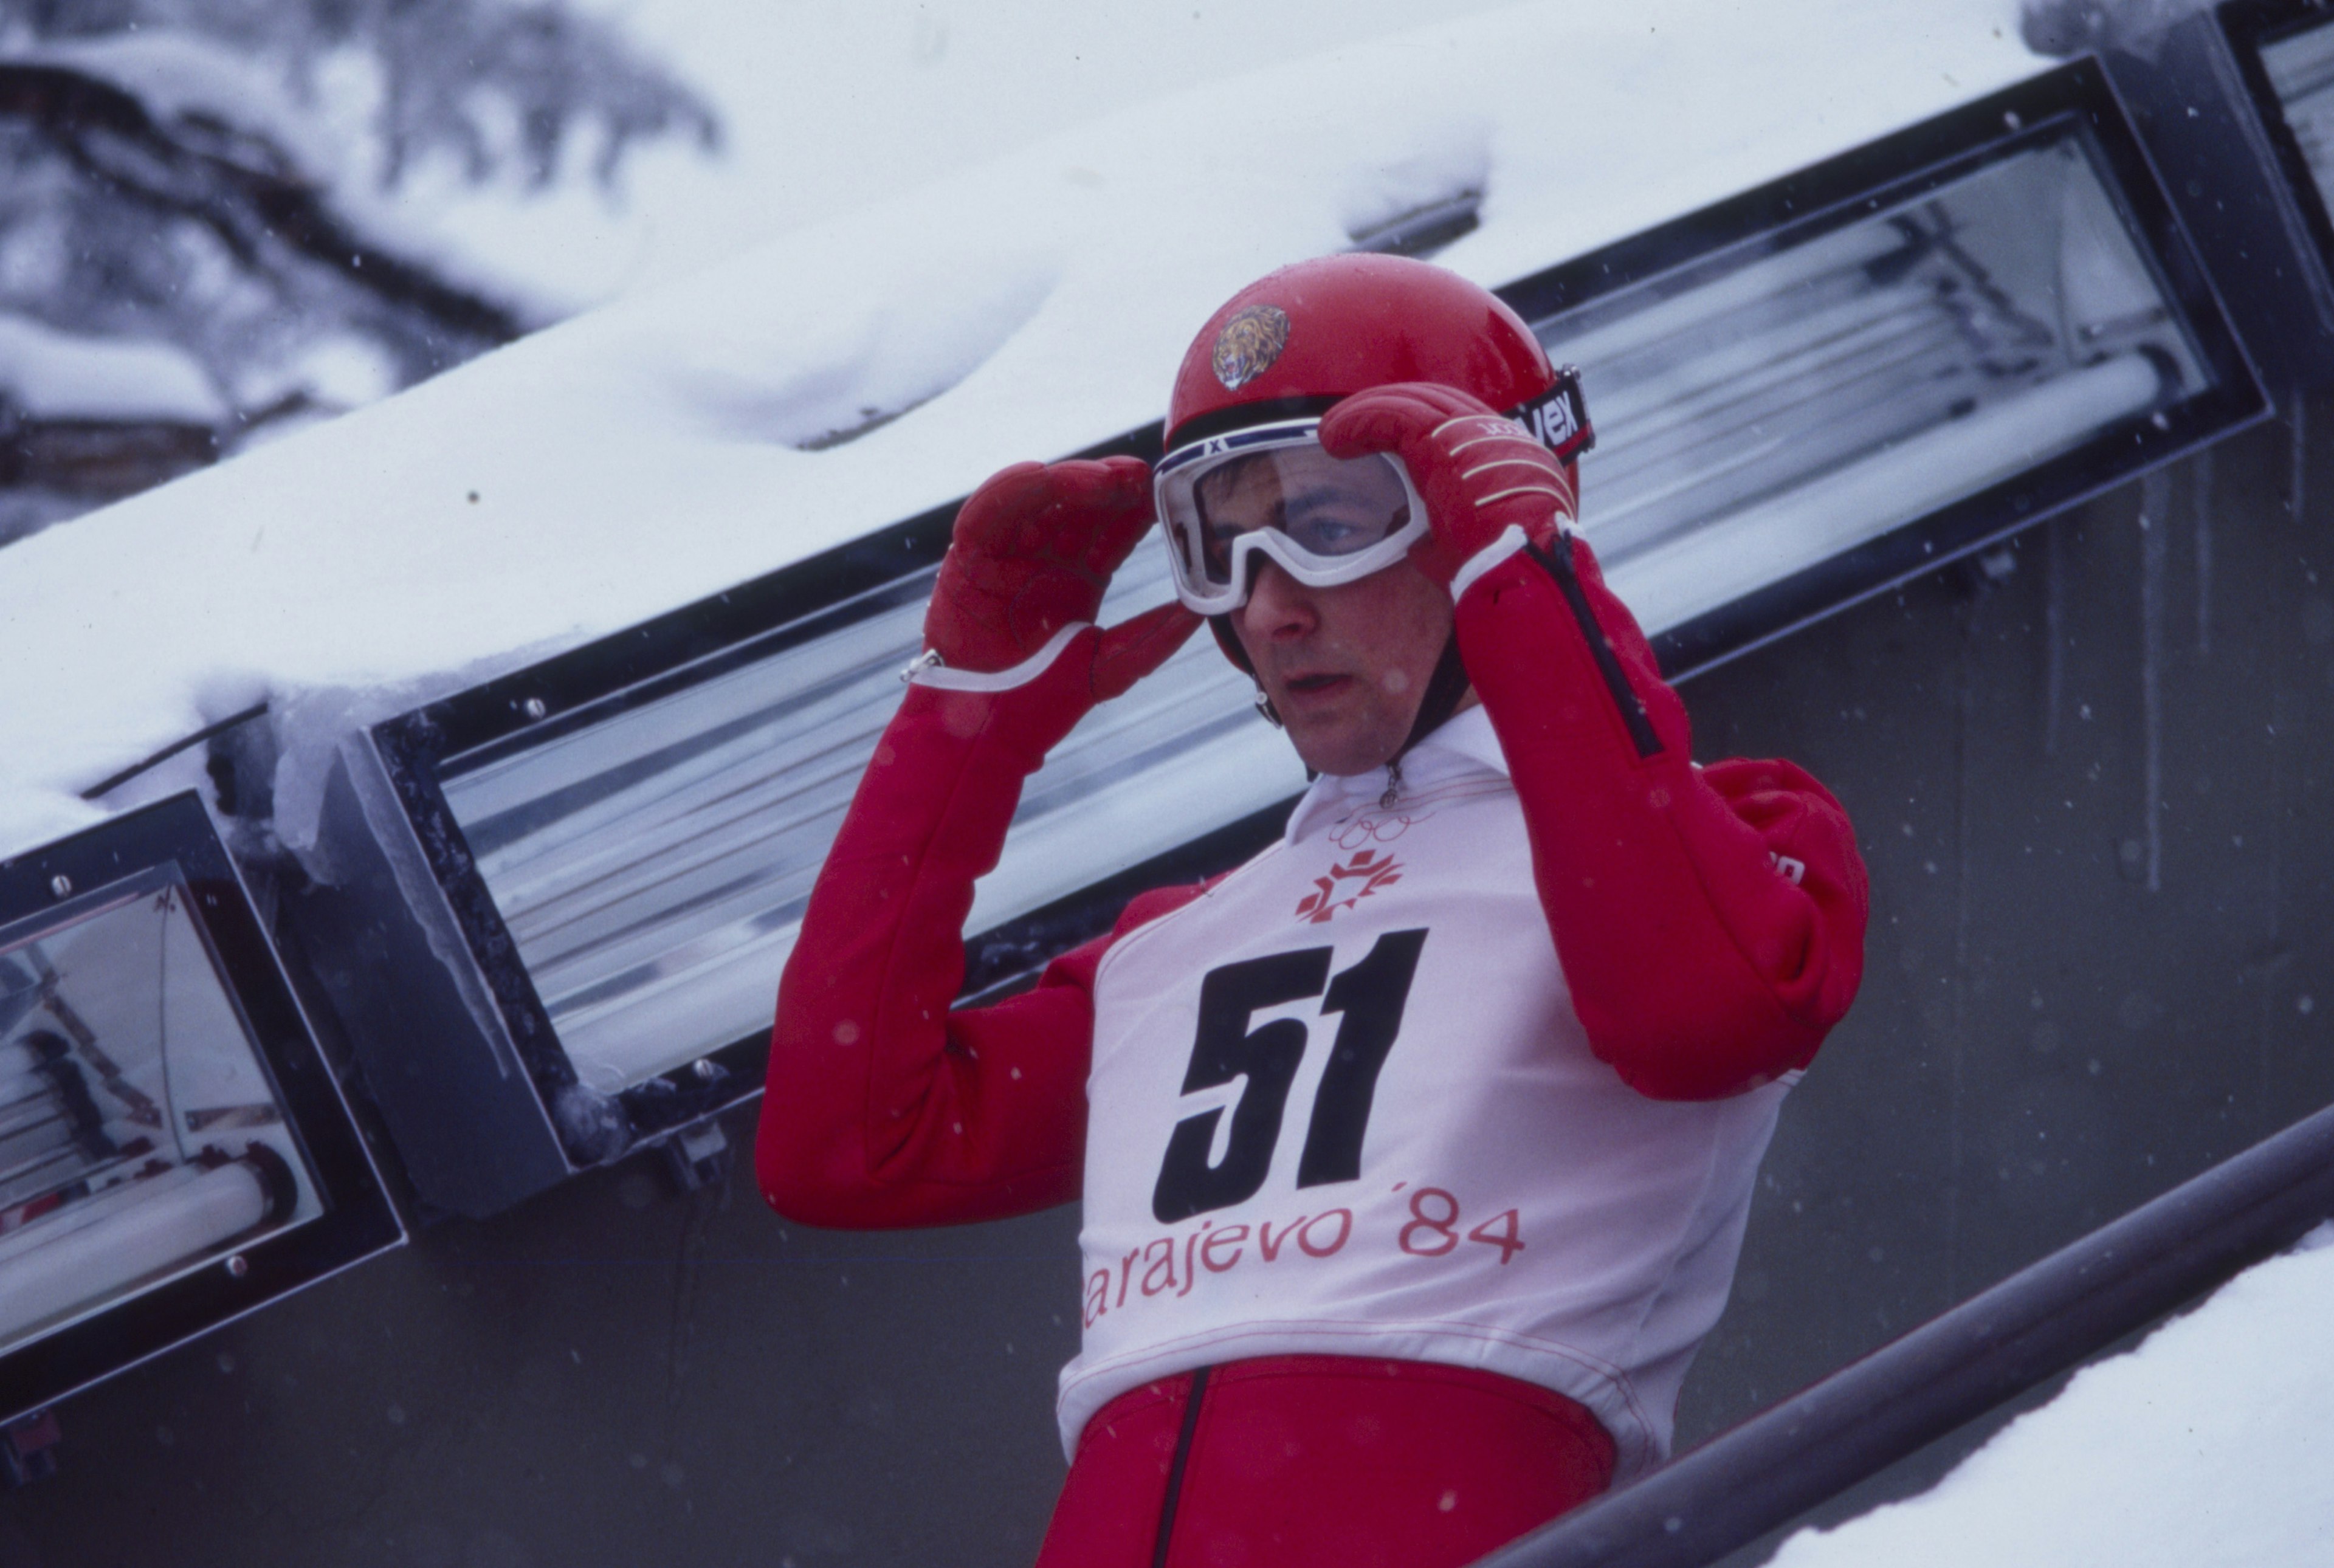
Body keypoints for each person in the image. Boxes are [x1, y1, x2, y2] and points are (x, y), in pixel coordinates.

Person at [756, 253, 1869, 1568]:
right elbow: (844, 1145)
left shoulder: (1733, 832)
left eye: (1335, 526)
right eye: (1220, 549)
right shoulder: (1176, 942)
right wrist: (970, 716)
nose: (1273, 607)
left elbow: (1705, 1014)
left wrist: (1534, 587)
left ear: (1478, 513)